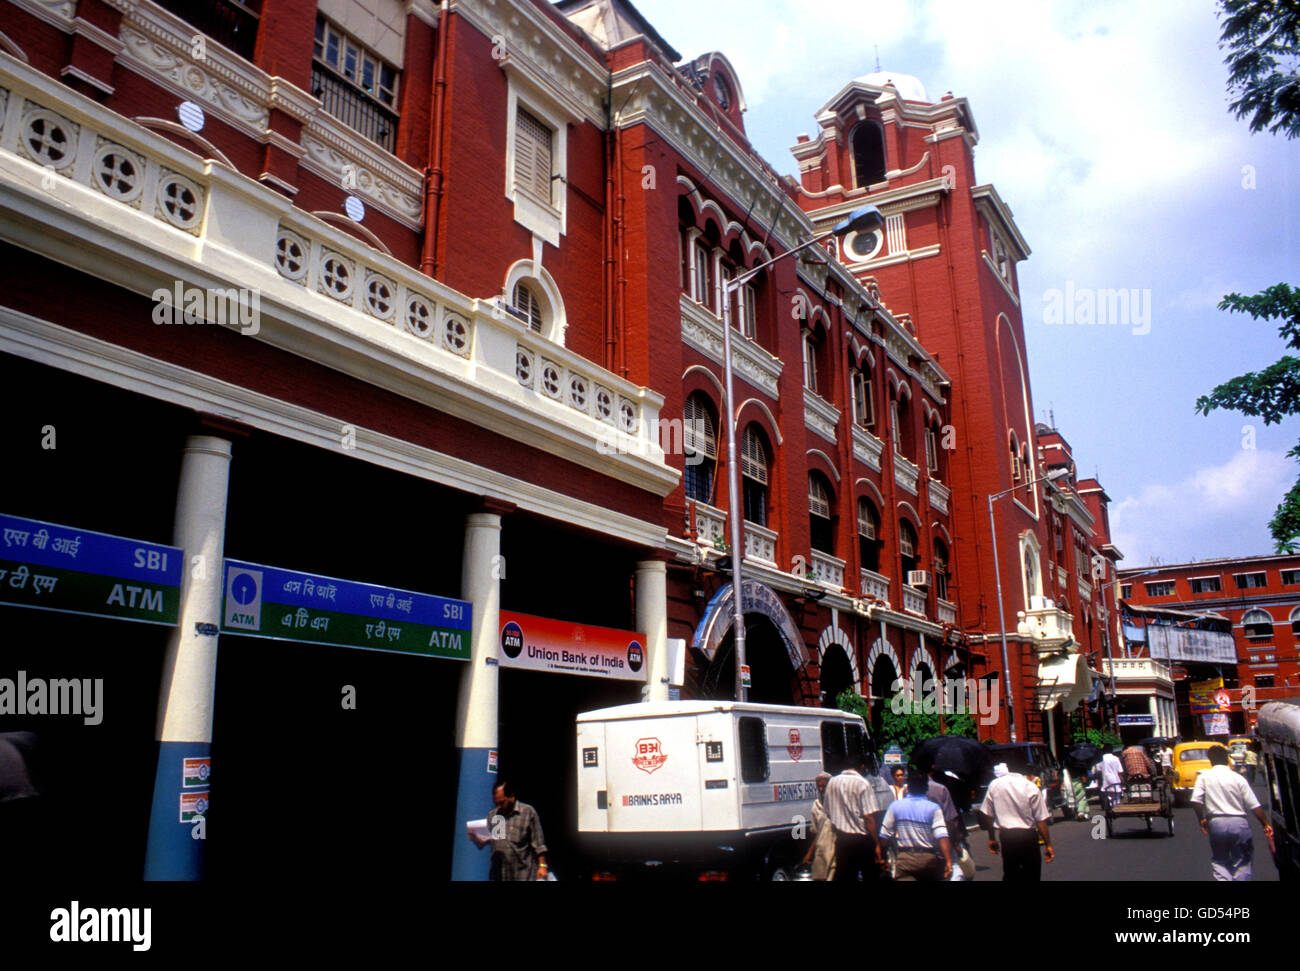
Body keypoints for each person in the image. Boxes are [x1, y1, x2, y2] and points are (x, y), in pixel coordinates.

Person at [1189, 747, 1274, 881]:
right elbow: (1254, 805)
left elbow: (1196, 800)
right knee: (1242, 861)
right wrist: (1265, 823)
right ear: (1227, 759)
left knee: (1220, 860)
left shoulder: (1204, 777)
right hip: (1238, 822)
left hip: (1216, 823)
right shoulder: (1238, 778)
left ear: (1211, 760)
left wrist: (1202, 819)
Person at [979, 762, 1054, 881]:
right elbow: (1040, 819)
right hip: (1028, 836)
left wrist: (992, 838)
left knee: (1011, 872)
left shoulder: (994, 785)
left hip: (1007, 836)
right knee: (1032, 873)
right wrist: (1048, 844)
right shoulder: (1030, 786)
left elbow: (989, 815)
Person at [879, 768, 952, 881]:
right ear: (926, 788)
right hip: (929, 860)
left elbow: (884, 835)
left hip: (905, 860)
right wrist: (948, 861)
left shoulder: (895, 806)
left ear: (908, 787)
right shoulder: (933, 808)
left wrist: (882, 857)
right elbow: (942, 836)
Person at [467, 780, 549, 881]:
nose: (499, 807)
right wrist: (476, 839)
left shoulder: (527, 812)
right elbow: (488, 842)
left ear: (511, 796)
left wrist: (542, 866)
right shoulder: (494, 816)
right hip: (500, 873)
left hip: (522, 873)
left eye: (501, 802)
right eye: (496, 803)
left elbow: (539, 844)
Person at [824, 754, 884, 881]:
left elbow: (828, 811)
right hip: (862, 840)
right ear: (861, 767)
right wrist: (876, 843)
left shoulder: (832, 782)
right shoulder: (863, 783)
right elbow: (868, 817)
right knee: (870, 875)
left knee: (844, 875)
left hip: (842, 839)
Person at [927, 769, 971, 880]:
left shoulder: (913, 789)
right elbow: (951, 818)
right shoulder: (947, 786)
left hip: (927, 839)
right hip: (948, 833)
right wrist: (956, 842)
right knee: (955, 865)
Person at [800, 771, 837, 880]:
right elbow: (817, 833)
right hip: (821, 853)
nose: (821, 789)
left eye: (824, 786)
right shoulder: (816, 805)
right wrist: (809, 853)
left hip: (835, 852)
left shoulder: (838, 804)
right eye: (819, 786)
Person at [1096, 745, 1123, 811]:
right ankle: (1116, 808)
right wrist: (1123, 780)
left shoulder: (1100, 759)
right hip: (1116, 780)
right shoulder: (1116, 758)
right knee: (1116, 797)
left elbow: (1098, 771)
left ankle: (1110, 807)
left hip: (1106, 781)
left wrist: (1099, 782)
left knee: (1108, 796)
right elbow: (1120, 771)